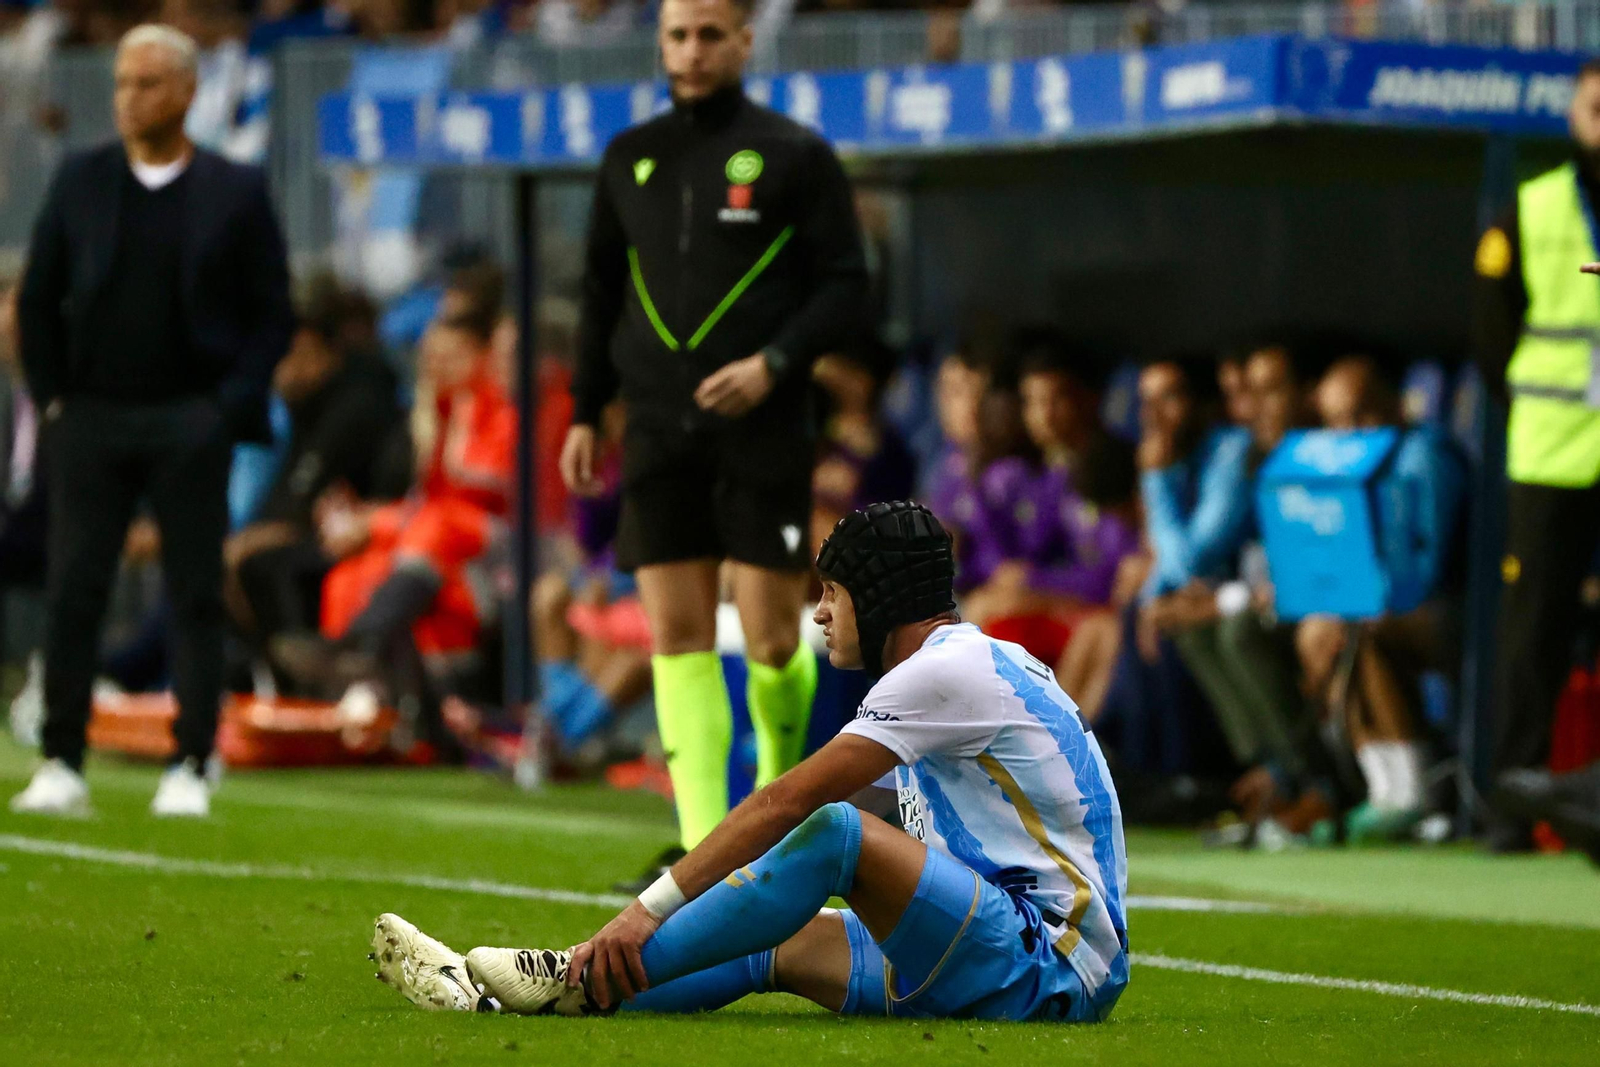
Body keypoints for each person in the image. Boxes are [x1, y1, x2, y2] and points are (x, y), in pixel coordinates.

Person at [370, 501, 1129, 1024]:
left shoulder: (940, 673)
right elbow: (845, 823)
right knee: (769, 935)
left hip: (1050, 963)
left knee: (829, 829)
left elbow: (791, 805)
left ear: (881, 594)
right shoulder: (966, 664)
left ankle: (569, 970)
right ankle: (520, 997)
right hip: (1016, 943)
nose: (821, 612)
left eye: (832, 592)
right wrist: (749, 878)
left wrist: (645, 912)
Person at [560, 0, 866, 882]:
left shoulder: (794, 154)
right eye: (675, 36)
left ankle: (778, 814)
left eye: (707, 35)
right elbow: (597, 293)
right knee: (677, 634)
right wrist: (587, 408)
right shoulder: (629, 158)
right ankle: (702, 848)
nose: (690, 51)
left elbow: (846, 286)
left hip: (760, 428)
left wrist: (774, 365)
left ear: (743, 41)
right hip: (656, 430)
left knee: (772, 639)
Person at [9, 24, 293, 819]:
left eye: (148, 84)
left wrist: (225, 408)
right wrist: (55, 399)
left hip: (189, 420)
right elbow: (38, 298)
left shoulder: (234, 191)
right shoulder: (82, 179)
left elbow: (273, 314)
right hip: (92, 415)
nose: (130, 98)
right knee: (75, 589)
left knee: (194, 593)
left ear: (188, 92)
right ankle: (62, 756)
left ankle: (193, 759)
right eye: (123, 83)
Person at [1475, 59, 1600, 852]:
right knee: (1533, 635)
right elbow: (1492, 335)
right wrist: (1528, 406)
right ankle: (1511, 804)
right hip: (1552, 452)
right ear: (1574, 111)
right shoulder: (1533, 203)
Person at [1293, 356, 1464, 842]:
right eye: (1336, 422)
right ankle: (1383, 787)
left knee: (1363, 628)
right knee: (1321, 631)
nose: (1351, 433)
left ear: (1395, 406)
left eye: (1361, 414)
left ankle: (1411, 790)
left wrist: (1358, 602)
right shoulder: (1345, 470)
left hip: (1451, 612)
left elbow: (1426, 569)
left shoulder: (1422, 457)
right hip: (1383, 607)